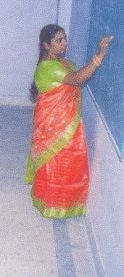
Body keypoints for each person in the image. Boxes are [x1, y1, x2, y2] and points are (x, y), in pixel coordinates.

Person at [25, 24, 113, 219]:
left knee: (66, 164)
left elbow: (75, 74)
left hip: (66, 122)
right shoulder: (49, 67)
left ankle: (62, 203)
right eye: (58, 40)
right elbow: (78, 78)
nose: (64, 43)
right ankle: (52, 204)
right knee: (56, 163)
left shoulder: (60, 63)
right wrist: (99, 55)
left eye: (64, 39)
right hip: (55, 125)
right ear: (46, 45)